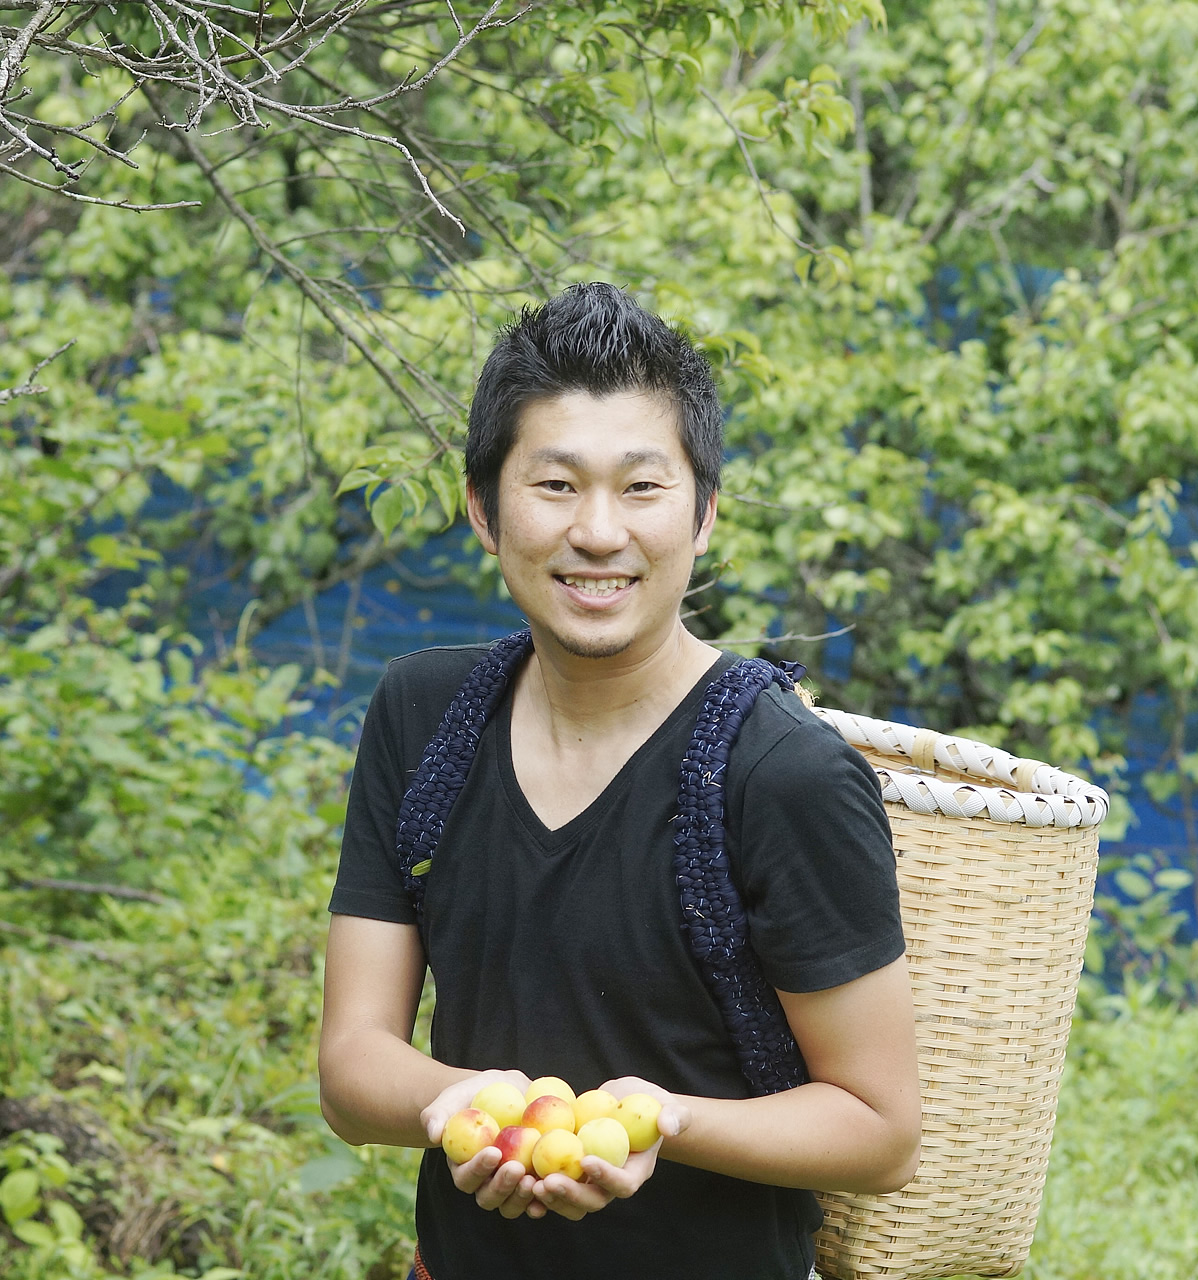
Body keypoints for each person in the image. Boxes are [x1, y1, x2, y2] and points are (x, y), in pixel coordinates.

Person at [318, 282, 921, 1280]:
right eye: (555, 484)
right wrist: (455, 1104)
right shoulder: (420, 715)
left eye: (641, 487)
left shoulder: (784, 774)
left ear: (703, 513)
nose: (597, 532)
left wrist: (659, 1120)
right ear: (482, 505)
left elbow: (878, 1127)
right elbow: (350, 1067)